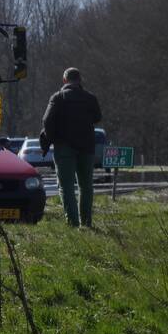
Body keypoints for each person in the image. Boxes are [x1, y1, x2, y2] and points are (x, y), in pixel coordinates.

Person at [41, 67, 103, 227]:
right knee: (86, 186)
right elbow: (97, 117)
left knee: (66, 186)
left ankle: (73, 222)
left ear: (64, 80)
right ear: (80, 80)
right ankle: (87, 222)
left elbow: (46, 120)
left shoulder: (58, 97)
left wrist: (51, 138)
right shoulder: (90, 98)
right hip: (87, 146)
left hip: (64, 147)